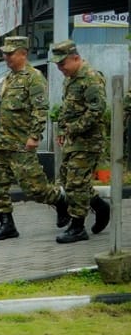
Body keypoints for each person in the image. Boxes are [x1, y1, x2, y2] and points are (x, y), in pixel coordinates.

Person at [0, 36, 68, 241]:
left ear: (23, 53)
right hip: (3, 143)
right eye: (5, 53)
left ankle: (60, 201)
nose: (6, 57)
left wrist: (34, 136)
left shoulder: (34, 77)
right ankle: (7, 224)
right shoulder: (10, 78)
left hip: (22, 145)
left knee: (35, 189)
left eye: (10, 53)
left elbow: (40, 109)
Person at [51, 40, 110, 243]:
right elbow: (68, 107)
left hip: (88, 141)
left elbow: (97, 109)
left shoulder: (91, 78)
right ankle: (99, 205)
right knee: (68, 180)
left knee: (76, 183)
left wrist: (73, 128)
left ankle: (77, 227)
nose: (61, 69)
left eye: (63, 64)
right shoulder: (71, 78)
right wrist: (62, 129)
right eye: (58, 65)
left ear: (76, 58)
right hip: (73, 140)